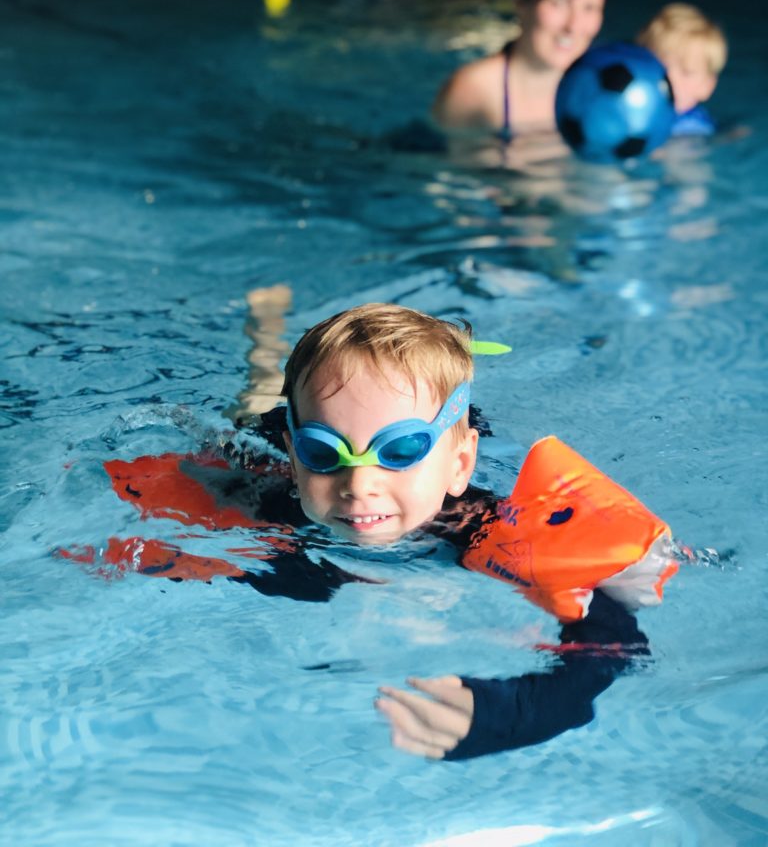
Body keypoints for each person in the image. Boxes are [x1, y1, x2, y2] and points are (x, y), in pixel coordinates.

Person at [75, 303, 663, 761]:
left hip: (430, 440)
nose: (359, 485)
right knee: (252, 409)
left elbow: (613, 642)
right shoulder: (276, 496)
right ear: (297, 453)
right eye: (324, 454)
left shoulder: (479, 525)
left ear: (460, 465)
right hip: (278, 439)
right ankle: (268, 335)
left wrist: (515, 713)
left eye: (399, 453)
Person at [433, 0, 607, 140]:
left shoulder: (604, 89)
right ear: (521, 0)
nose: (573, 25)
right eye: (558, 2)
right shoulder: (473, 90)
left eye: (589, 7)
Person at [636, 3, 727, 137]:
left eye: (686, 72)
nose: (671, 79)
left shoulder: (695, 128)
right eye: (662, 67)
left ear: (707, 86)